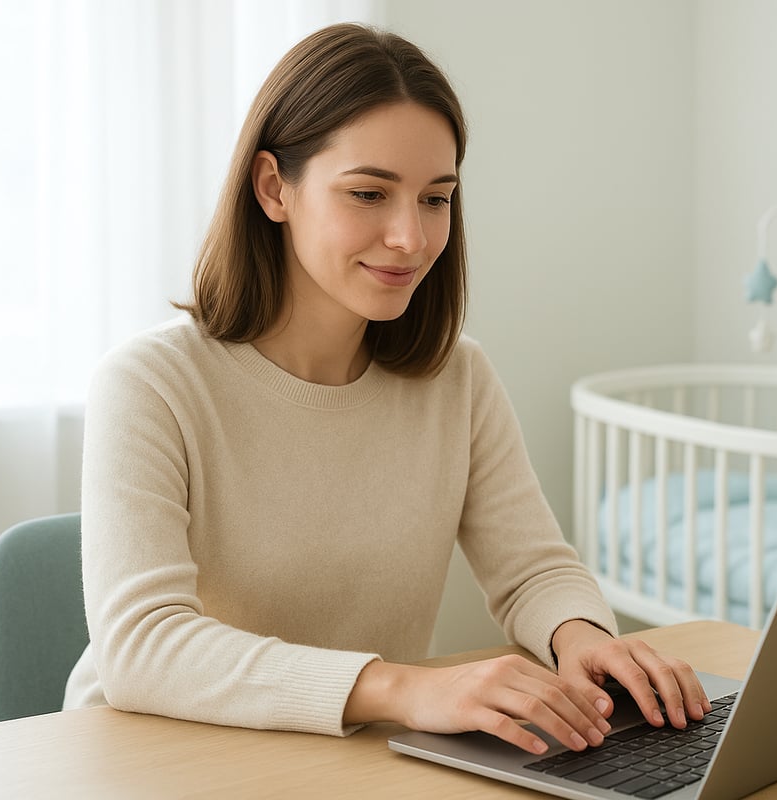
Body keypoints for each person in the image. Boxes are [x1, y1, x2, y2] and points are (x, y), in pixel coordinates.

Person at [63, 22, 708, 755]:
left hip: (355, 757)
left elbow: (533, 568)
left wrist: (580, 635)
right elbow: (143, 648)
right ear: (274, 188)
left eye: (436, 199)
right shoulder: (151, 385)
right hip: (156, 758)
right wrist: (404, 688)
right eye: (369, 193)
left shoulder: (457, 377)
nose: (411, 236)